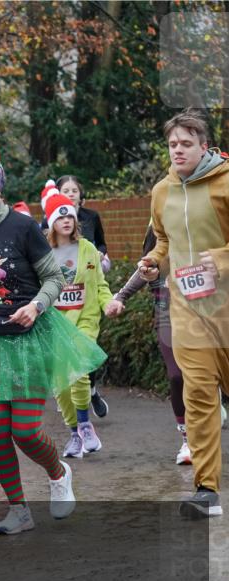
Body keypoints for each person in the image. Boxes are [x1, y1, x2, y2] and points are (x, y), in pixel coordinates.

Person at [0, 131, 105, 535]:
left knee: (25, 430)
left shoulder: (21, 226)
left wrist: (35, 306)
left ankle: (57, 472)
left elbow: (53, 277)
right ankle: (18, 509)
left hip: (32, 338)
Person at [138, 110, 229, 518]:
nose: (177, 150)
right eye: (172, 144)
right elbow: (163, 241)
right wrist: (153, 262)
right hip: (188, 310)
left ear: (203, 146)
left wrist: (221, 261)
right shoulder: (162, 191)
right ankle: (206, 489)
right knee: (198, 396)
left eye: (185, 143)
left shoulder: (226, 183)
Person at [106, 223, 189, 463]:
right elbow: (143, 269)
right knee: (176, 377)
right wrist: (120, 296)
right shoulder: (158, 230)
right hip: (166, 316)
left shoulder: (195, 228)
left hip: (199, 316)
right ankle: (187, 440)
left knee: (204, 377)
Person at [41, 182, 111, 458]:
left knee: (79, 371)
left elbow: (101, 286)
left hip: (85, 321)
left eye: (70, 215)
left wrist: (110, 303)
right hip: (54, 325)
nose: (66, 221)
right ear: (51, 222)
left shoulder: (88, 250)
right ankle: (73, 433)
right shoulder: (42, 254)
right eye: (60, 217)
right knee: (61, 383)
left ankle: (84, 424)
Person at [52, 175, 111, 417]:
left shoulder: (91, 220)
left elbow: (103, 244)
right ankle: (76, 425)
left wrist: (98, 257)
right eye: (65, 190)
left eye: (74, 190)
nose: (70, 193)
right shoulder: (45, 244)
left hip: (87, 291)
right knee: (64, 374)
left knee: (83, 358)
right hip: (59, 316)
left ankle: (86, 412)